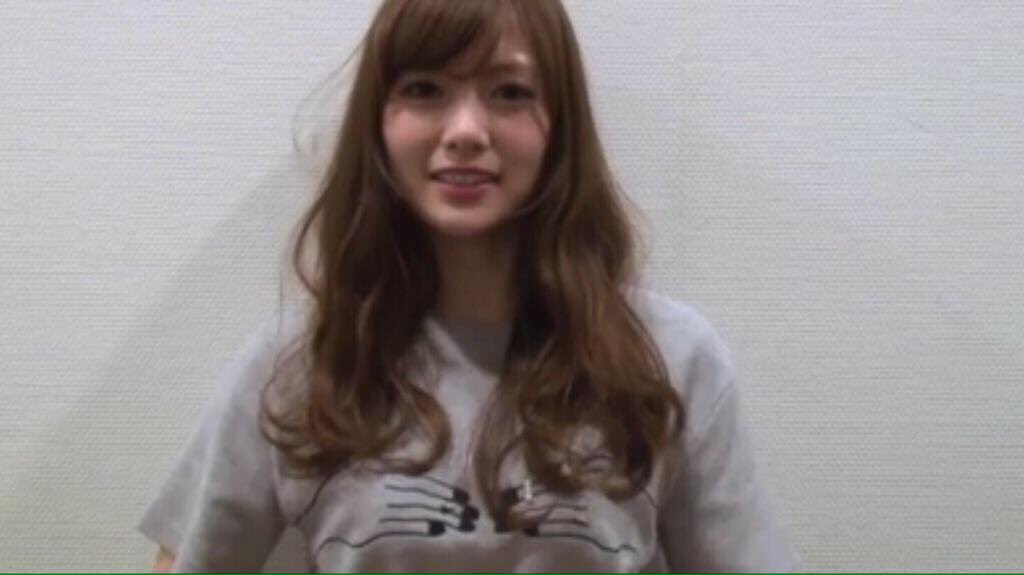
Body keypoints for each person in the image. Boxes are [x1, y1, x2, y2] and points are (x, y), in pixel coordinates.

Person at [139, 0, 801, 571]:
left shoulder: (672, 361)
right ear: (379, 123)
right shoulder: (295, 367)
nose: (464, 132)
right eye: (425, 89)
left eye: (509, 92)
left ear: (559, 126)